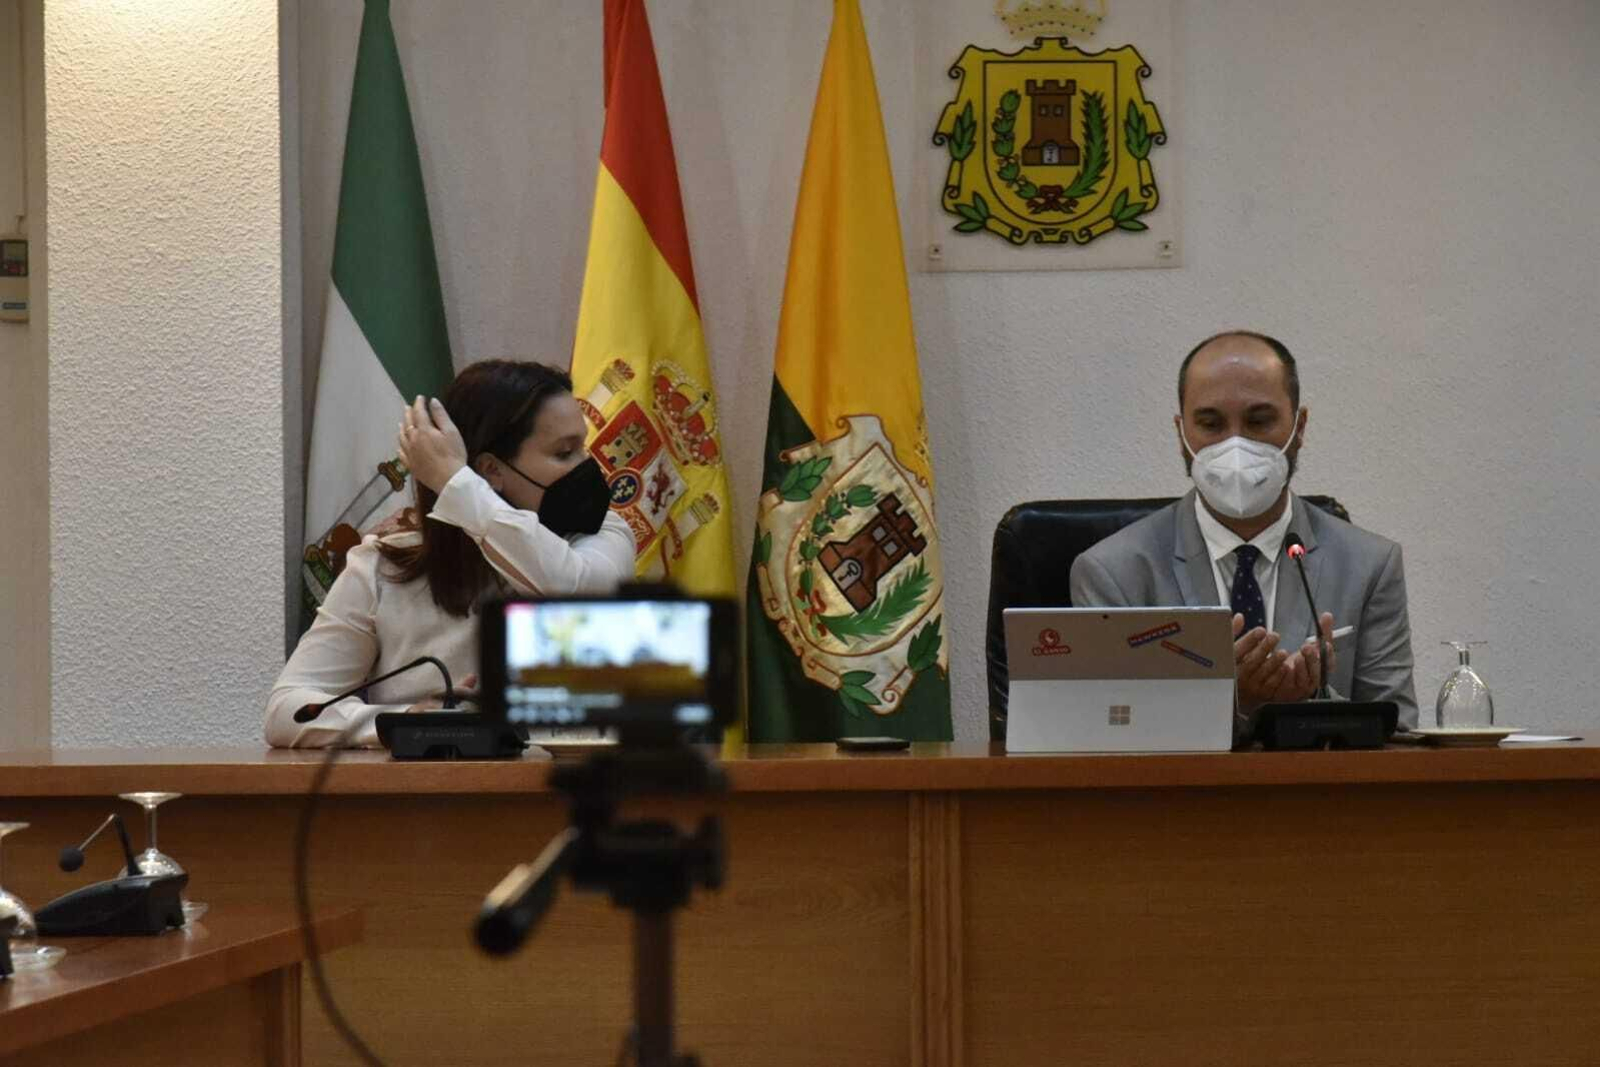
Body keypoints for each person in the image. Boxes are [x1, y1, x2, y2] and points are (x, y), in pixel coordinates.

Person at [265, 360, 635, 747]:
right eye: (564, 453)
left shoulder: (605, 533)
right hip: (429, 801)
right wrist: (404, 721)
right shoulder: (383, 566)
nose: (588, 467)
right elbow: (287, 711)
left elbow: (572, 591)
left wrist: (452, 481)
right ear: (491, 469)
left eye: (583, 447)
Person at [1069, 331, 1418, 737]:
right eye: (1211, 423)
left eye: (1258, 420)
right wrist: (1237, 707)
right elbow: (1108, 737)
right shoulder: (1114, 572)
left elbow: (1397, 736)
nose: (1235, 444)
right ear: (1181, 433)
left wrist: (1305, 704)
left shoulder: (1370, 565)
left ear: (1299, 426)